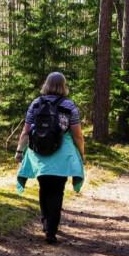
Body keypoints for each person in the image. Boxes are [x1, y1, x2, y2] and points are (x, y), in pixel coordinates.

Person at [15, 72, 86, 244]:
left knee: (44, 188)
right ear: (64, 85)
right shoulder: (69, 106)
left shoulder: (36, 103)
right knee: (57, 191)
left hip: (39, 154)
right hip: (62, 156)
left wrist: (19, 151)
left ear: (46, 84)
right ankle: (51, 231)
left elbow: (26, 131)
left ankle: (46, 222)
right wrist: (81, 154)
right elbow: (77, 135)